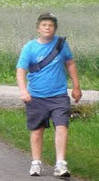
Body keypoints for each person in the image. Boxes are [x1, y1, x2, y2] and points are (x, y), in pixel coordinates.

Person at [16, 13, 81, 178]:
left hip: (58, 95)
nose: (47, 28)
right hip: (36, 96)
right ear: (38, 28)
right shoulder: (29, 47)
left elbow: (70, 63)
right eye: (44, 25)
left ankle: (60, 163)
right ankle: (36, 163)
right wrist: (23, 90)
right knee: (37, 131)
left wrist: (76, 87)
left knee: (62, 126)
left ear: (55, 29)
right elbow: (21, 70)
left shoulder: (61, 45)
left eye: (51, 25)